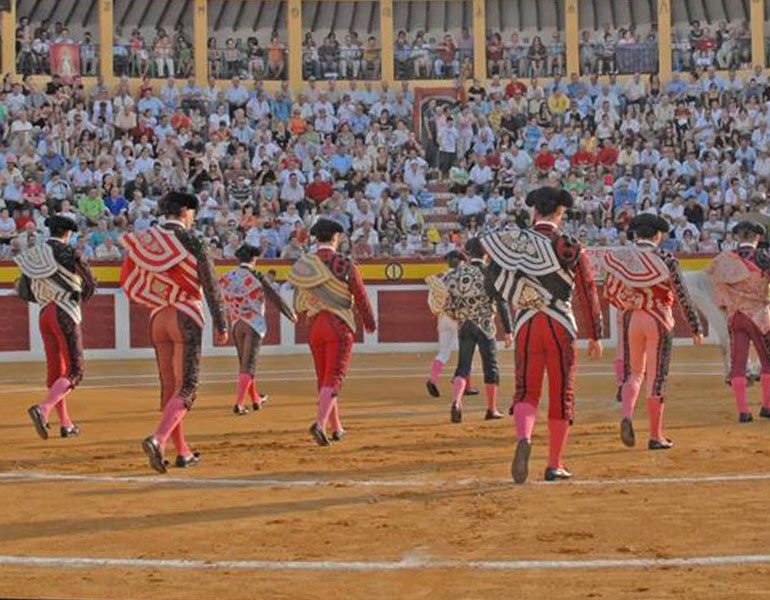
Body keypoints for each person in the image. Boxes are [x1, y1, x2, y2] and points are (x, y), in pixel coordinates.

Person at [482, 187, 603, 484]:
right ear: (560, 214)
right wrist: (595, 334)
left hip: (526, 323)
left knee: (526, 389)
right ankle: (554, 464)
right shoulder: (569, 245)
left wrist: (517, 295)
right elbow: (587, 289)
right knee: (561, 392)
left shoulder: (513, 243)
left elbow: (491, 283)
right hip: (560, 324)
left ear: (534, 211)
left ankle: (524, 437)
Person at [120, 191, 228, 473]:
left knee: (170, 387)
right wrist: (222, 322)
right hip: (185, 316)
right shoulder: (193, 241)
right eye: (192, 213)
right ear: (185, 212)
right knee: (187, 387)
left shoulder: (146, 239)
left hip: (158, 317)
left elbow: (130, 277)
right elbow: (211, 285)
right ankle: (158, 439)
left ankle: (182, 451)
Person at [603, 214, 703, 451]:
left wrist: (631, 303)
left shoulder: (622, 258)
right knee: (657, 377)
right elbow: (682, 295)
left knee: (633, 373)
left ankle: (627, 414)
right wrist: (695, 326)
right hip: (658, 318)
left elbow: (609, 292)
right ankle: (656, 435)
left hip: (632, 318)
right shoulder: (666, 259)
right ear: (658, 235)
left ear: (636, 234)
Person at [288, 218, 376, 446]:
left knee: (324, 377)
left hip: (315, 326)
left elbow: (299, 302)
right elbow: (360, 295)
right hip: (338, 325)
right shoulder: (345, 264)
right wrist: (369, 322)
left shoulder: (305, 265)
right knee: (334, 377)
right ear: (336, 238)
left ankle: (336, 428)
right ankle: (320, 424)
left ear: (317, 239)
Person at [17, 216, 96, 440]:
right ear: (68, 233)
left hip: (44, 314)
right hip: (65, 312)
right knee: (75, 371)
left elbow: (24, 290)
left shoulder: (33, 254)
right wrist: (77, 297)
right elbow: (90, 283)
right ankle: (43, 409)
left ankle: (66, 423)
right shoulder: (70, 253)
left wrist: (46, 297)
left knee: (56, 371)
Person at [219, 244, 296, 416]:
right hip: (253, 324)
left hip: (236, 323)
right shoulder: (257, 275)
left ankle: (255, 398)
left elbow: (218, 297)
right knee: (249, 365)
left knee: (244, 364)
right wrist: (289, 314)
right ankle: (239, 404)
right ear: (254, 259)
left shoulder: (227, 276)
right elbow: (274, 297)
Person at [443, 238, 513, 423]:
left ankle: (457, 401)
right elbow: (501, 302)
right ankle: (491, 409)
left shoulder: (457, 273)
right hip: (485, 326)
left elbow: (447, 300)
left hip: (465, 324)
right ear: (486, 253)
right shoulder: (489, 272)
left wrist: (456, 315)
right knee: (490, 367)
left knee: (463, 366)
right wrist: (508, 330)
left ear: (467, 253)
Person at [706, 221, 770, 422]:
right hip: (759, 317)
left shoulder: (723, 260)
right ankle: (767, 407)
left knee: (738, 363)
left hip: (735, 317)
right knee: (767, 361)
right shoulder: (764, 258)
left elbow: (714, 282)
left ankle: (743, 412)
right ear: (757, 237)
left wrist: (727, 303)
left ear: (737, 237)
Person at [425, 250, 466, 397]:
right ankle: (463, 383)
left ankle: (433, 379)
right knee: (466, 353)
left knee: (443, 353)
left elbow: (431, 301)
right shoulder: (464, 277)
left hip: (443, 318)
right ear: (461, 262)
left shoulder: (440, 278)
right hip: (459, 318)